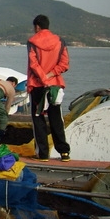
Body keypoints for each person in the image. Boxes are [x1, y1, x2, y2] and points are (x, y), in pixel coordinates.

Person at [27, 14, 71, 162]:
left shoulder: (32, 42)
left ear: (37, 27)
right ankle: (64, 152)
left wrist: (43, 78)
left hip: (38, 85)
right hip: (55, 85)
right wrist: (51, 74)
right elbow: (65, 64)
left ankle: (43, 154)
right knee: (56, 118)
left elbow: (33, 64)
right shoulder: (60, 41)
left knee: (38, 119)